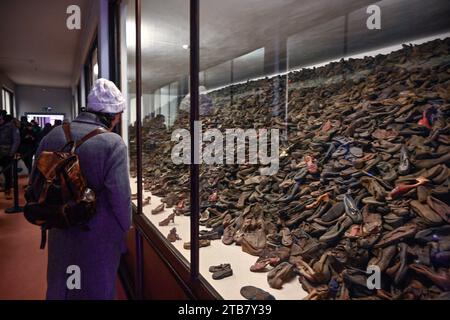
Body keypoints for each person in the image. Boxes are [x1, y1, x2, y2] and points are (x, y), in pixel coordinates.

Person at [28, 78, 132, 299]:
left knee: (64, 281)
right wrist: (125, 228)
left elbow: (34, 184)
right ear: (111, 115)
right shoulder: (113, 143)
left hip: (60, 225)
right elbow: (120, 198)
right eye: (119, 114)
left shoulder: (53, 135)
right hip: (98, 233)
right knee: (96, 286)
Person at [0, 111, 20, 199]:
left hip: (6, 153)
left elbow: (16, 140)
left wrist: (11, 152)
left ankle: (8, 190)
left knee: (7, 173)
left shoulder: (11, 126)